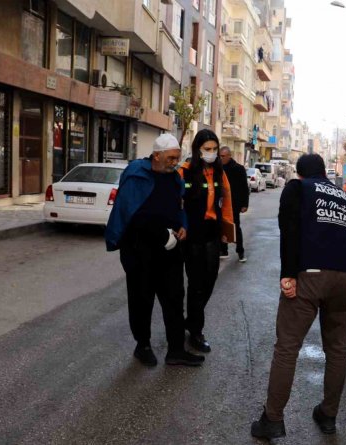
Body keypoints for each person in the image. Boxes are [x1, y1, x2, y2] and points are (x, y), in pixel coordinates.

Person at [251, 154, 346, 440]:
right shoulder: (341, 194)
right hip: (344, 278)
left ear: (300, 174)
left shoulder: (297, 188)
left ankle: (273, 419)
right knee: (337, 349)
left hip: (310, 275)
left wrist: (288, 274)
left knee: (288, 348)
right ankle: (328, 415)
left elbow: (288, 231)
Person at [105, 134, 204, 367]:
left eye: (177, 158)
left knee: (174, 299)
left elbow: (180, 207)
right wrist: (163, 234)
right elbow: (133, 214)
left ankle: (176, 350)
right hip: (140, 251)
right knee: (142, 300)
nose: (174, 163)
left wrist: (183, 227)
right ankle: (143, 346)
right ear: (157, 156)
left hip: (170, 251)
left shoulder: (174, 179)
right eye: (170, 158)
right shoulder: (136, 175)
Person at [178, 129, 234, 353]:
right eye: (207, 149)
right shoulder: (185, 172)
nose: (211, 153)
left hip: (212, 232)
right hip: (192, 233)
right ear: (198, 150)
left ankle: (191, 320)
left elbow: (227, 201)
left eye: (214, 149)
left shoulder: (220, 173)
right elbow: (176, 202)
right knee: (196, 284)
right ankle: (196, 331)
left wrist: (227, 231)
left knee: (210, 281)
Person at [219, 146, 249, 262]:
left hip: (234, 204)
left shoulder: (239, 168)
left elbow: (244, 188)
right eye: (220, 156)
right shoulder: (218, 168)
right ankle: (223, 249)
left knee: (236, 227)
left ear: (229, 156)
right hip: (221, 203)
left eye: (223, 156)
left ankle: (240, 251)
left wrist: (244, 204)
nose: (221, 158)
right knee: (221, 226)